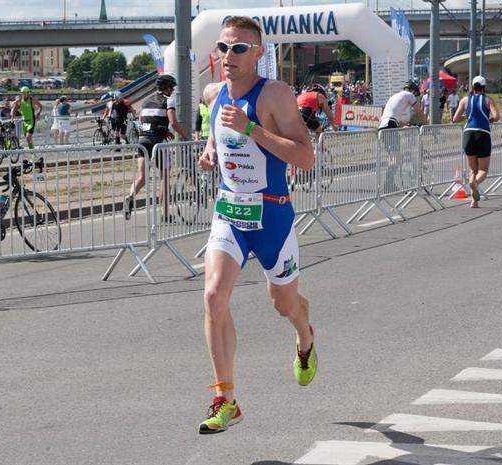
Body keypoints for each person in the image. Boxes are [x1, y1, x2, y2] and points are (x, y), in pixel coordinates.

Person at [196, 16, 315, 434]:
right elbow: (218, 135)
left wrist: (251, 129)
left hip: (272, 215)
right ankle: (225, 399)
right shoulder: (214, 94)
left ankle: (305, 336)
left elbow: (305, 157)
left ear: (258, 53)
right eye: (223, 47)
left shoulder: (275, 94)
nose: (228, 55)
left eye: (239, 48)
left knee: (284, 305)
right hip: (230, 212)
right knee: (214, 296)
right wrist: (209, 151)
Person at [123, 74, 188, 221]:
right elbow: (173, 122)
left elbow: (141, 123)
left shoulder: (146, 101)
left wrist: (159, 130)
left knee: (142, 177)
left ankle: (130, 196)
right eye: (172, 88)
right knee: (165, 178)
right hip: (158, 143)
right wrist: (185, 136)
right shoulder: (168, 100)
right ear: (167, 88)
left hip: (143, 140)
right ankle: (165, 214)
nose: (173, 90)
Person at [452, 75, 501, 208]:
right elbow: (496, 116)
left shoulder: (465, 100)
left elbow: (455, 119)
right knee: (483, 170)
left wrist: (466, 116)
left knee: (472, 170)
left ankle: (474, 201)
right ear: (484, 87)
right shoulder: (488, 100)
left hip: (468, 134)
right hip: (483, 134)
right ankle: (476, 183)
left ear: (472, 87)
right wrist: (489, 120)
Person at [378, 81, 427, 192]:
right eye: (416, 95)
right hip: (389, 125)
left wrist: (407, 125)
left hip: (384, 125)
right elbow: (419, 113)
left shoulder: (395, 96)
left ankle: (389, 184)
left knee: (393, 157)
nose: (415, 97)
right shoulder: (409, 95)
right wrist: (427, 125)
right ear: (413, 91)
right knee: (397, 157)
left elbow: (393, 118)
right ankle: (387, 184)